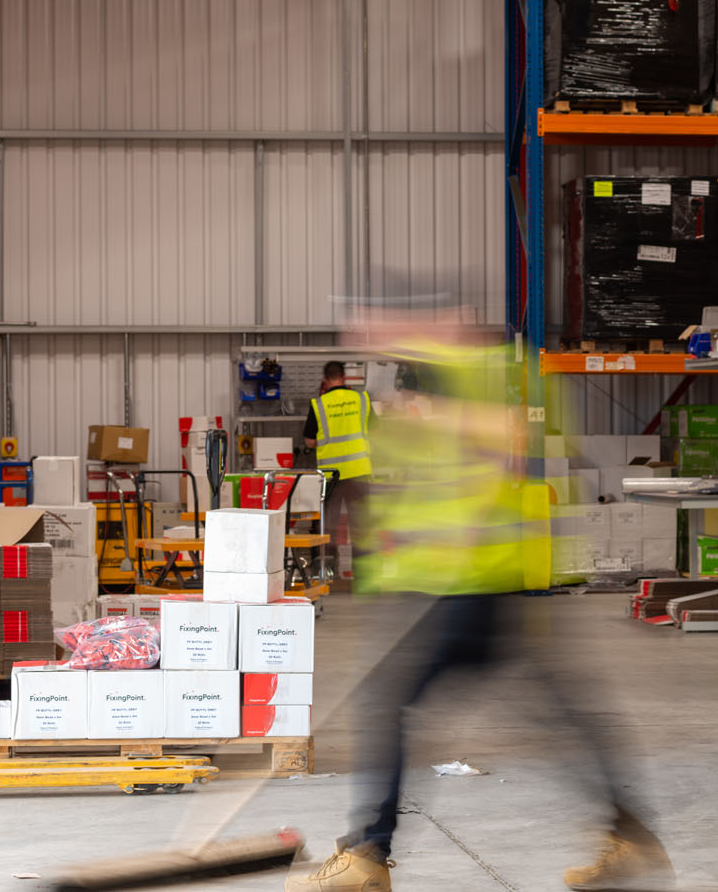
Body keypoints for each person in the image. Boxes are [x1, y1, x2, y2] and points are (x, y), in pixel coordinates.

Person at [285, 322, 672, 892]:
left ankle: (368, 856)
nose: (401, 404)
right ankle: (629, 835)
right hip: (467, 588)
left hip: (464, 588)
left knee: (388, 706)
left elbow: (497, 438)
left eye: (408, 392)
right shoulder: (437, 418)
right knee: (557, 713)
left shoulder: (476, 393)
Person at [305, 361, 373, 579]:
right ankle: (364, 577)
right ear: (345, 378)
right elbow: (374, 430)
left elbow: (309, 442)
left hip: (330, 477)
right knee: (362, 527)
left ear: (325, 380)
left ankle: (327, 576)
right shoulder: (361, 399)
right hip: (359, 471)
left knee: (328, 528)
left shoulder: (319, 404)